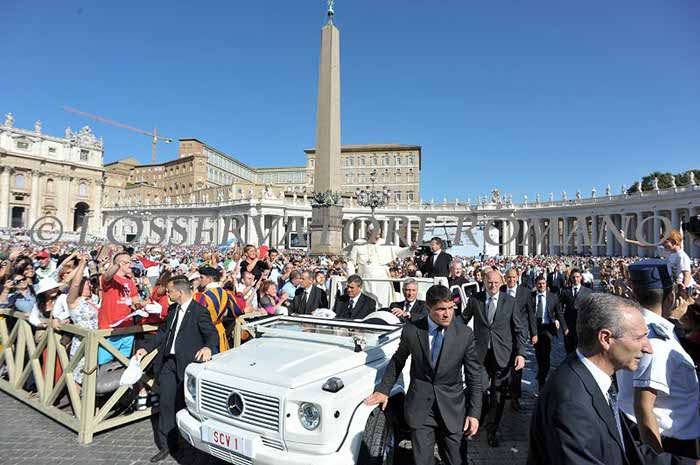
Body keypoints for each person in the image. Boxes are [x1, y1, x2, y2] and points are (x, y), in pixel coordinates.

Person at [528, 293, 695, 465]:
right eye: (639, 337)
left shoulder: (595, 380)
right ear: (606, 339)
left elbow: (624, 448)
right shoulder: (571, 402)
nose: (648, 348)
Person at [364, 285, 482, 465]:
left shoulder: (464, 334)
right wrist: (383, 390)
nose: (447, 314)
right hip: (420, 410)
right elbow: (398, 360)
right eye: (441, 309)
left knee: (457, 460)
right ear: (428, 307)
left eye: (451, 308)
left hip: (452, 410)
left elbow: (474, 376)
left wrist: (474, 413)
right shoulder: (412, 330)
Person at [617, 260, 700, 459]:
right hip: (669, 441)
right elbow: (643, 405)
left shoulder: (643, 329)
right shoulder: (656, 341)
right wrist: (658, 460)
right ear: (670, 297)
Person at [135, 276, 219, 463]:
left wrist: (207, 347)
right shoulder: (172, 310)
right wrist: (146, 348)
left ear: (179, 293)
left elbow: (212, 334)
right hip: (168, 363)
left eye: (169, 291)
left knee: (184, 404)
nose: (167, 294)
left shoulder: (199, 311)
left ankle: (188, 441)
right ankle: (167, 445)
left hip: (187, 364)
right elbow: (163, 333)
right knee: (166, 402)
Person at [461, 270, 526, 447]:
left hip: (502, 355)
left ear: (502, 282)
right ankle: (477, 419)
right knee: (479, 389)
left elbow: (519, 329)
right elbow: (462, 319)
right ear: (484, 282)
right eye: (489, 282)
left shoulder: (510, 301)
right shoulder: (475, 299)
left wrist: (520, 353)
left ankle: (492, 430)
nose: (493, 285)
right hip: (480, 355)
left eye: (496, 282)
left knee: (498, 395)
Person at [345, 227, 417, 306]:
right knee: (366, 305)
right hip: (365, 281)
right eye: (374, 234)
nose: (377, 237)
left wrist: (410, 249)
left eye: (378, 234)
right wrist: (352, 279)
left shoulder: (385, 243)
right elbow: (351, 262)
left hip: (382, 281)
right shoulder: (358, 243)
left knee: (382, 303)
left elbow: (400, 252)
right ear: (368, 234)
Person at [99, 252, 141, 364]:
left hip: (127, 326)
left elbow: (134, 296)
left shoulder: (129, 281)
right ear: (122, 263)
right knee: (104, 362)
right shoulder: (111, 279)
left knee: (123, 361)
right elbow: (107, 275)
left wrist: (138, 305)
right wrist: (117, 265)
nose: (131, 265)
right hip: (110, 328)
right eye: (128, 262)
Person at [501, 268, 531, 411]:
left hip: (519, 333)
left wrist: (534, 333)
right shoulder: (500, 289)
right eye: (509, 277)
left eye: (513, 277)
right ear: (505, 278)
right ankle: (505, 390)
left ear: (517, 278)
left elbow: (530, 313)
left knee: (517, 365)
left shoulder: (525, 292)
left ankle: (515, 397)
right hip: (503, 334)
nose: (511, 280)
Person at [529, 275, 566, 389]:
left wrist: (564, 327)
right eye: (539, 284)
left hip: (547, 328)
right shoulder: (530, 297)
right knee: (538, 353)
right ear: (536, 285)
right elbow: (529, 314)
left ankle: (542, 377)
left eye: (543, 283)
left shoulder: (553, 297)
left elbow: (558, 312)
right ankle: (541, 372)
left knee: (546, 352)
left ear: (546, 284)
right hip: (535, 327)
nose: (541, 285)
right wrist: (532, 332)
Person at [560, 268, 592, 354]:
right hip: (568, 323)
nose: (575, 279)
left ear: (581, 277)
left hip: (581, 324)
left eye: (577, 277)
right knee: (569, 347)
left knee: (581, 348)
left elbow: (590, 309)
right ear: (570, 278)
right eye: (573, 277)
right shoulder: (565, 291)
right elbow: (559, 307)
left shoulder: (588, 292)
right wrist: (562, 324)